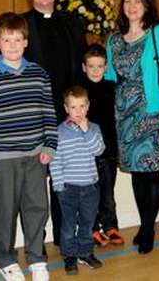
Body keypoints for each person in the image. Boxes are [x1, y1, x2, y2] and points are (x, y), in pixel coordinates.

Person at [0, 12, 57, 281]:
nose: (12, 45)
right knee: (5, 211)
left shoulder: (38, 74)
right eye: (6, 40)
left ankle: (36, 258)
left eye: (17, 40)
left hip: (35, 156)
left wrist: (50, 147)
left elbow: (49, 113)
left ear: (26, 42)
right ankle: (6, 259)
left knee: (37, 208)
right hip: (2, 159)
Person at [104, 0, 159, 255]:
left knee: (151, 172)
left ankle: (147, 229)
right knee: (137, 173)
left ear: (147, 4)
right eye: (127, 1)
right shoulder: (114, 40)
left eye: (137, 1)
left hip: (153, 112)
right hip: (125, 116)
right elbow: (110, 77)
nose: (131, 6)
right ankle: (144, 224)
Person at [22, 0, 88, 245]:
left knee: (69, 177)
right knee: (36, 182)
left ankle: (66, 236)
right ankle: (37, 240)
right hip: (38, 115)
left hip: (70, 114)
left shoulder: (73, 22)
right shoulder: (21, 24)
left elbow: (84, 68)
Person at [51, 85, 106, 275]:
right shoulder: (59, 132)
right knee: (67, 226)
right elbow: (55, 161)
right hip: (68, 188)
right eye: (73, 107)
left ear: (88, 106)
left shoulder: (94, 129)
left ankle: (86, 252)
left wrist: (86, 130)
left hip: (90, 187)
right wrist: (59, 186)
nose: (78, 111)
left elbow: (98, 150)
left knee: (87, 223)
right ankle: (70, 256)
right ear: (66, 108)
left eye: (82, 106)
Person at [79, 44, 123, 247]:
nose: (95, 70)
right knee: (89, 196)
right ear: (83, 67)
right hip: (86, 155)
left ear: (106, 67)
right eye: (91, 66)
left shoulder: (112, 88)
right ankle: (92, 228)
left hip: (108, 152)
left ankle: (110, 226)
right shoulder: (79, 92)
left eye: (99, 66)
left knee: (108, 194)